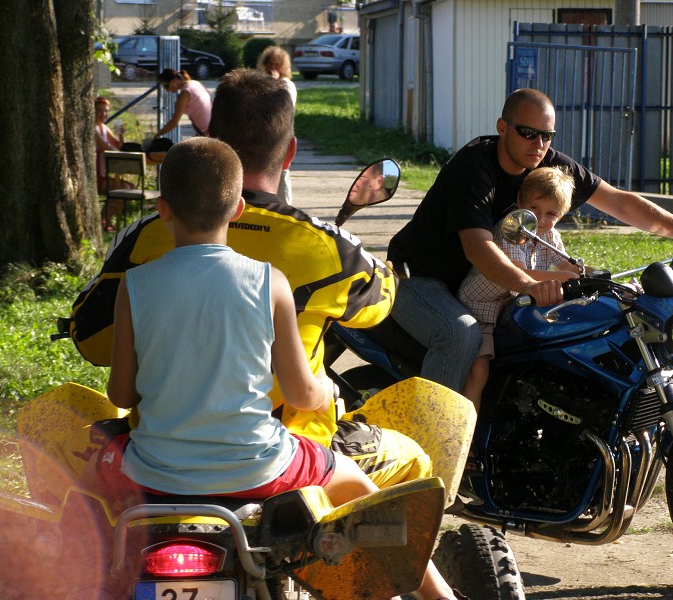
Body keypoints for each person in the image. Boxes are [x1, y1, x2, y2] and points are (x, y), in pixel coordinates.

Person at [101, 137, 458, 600]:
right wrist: (325, 388)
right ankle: (442, 597)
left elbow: (122, 395)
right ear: (239, 209)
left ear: (163, 208)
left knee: (81, 476)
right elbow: (300, 393)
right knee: (354, 481)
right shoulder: (269, 282)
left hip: (151, 471)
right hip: (260, 467)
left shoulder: (135, 284)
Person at [69, 69, 430, 491]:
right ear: (290, 152)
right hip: (279, 458)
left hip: (156, 459)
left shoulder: (144, 241)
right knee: (414, 459)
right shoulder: (325, 250)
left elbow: (91, 342)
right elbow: (379, 306)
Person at [387, 87, 673, 395]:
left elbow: (618, 201)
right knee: (459, 334)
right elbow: (477, 247)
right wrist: (529, 282)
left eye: (547, 135)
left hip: (492, 291)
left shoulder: (548, 167)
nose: (538, 144)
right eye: (528, 133)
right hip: (421, 278)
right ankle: (429, 449)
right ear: (502, 128)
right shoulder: (473, 167)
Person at [457, 166, 580, 409]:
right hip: (481, 309)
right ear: (519, 201)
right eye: (534, 209)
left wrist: (591, 274)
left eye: (551, 214)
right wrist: (563, 277)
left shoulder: (550, 234)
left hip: (514, 307)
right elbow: (518, 273)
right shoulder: (512, 228)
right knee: (478, 370)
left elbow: (568, 264)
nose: (541, 220)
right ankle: (468, 440)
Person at [257, 46, 297, 205]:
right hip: (266, 135)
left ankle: (286, 206)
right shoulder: (264, 83)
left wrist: (273, 82)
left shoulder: (286, 84)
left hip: (282, 134)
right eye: (270, 64)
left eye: (276, 64)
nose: (272, 68)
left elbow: (283, 105)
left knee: (282, 171)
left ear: (283, 66)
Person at [94, 95, 132, 231]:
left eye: (106, 111)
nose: (104, 114)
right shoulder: (93, 129)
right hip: (97, 176)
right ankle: (104, 220)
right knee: (124, 190)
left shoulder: (104, 127)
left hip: (105, 173)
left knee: (130, 187)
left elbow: (119, 146)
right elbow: (107, 147)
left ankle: (104, 218)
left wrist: (121, 134)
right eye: (100, 111)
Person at [155, 68, 212, 138]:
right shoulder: (195, 83)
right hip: (212, 128)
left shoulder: (185, 94)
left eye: (166, 86)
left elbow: (173, 123)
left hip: (206, 134)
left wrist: (157, 135)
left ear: (174, 81)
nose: (167, 90)